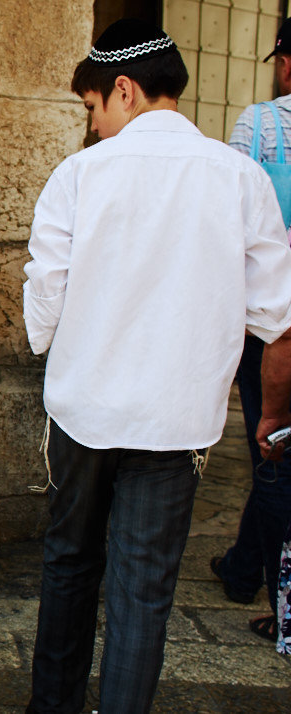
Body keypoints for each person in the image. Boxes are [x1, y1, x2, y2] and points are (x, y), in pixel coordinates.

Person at [22, 18, 291, 714]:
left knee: (70, 563)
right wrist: (277, 412)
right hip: (176, 422)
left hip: (84, 411)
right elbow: (279, 320)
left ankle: (50, 707)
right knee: (143, 590)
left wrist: (51, 344)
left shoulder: (81, 173)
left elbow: (45, 290)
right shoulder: (241, 178)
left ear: (123, 89)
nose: (95, 124)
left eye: (92, 109)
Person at [211, 16, 291, 643]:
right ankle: (242, 568)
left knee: (273, 449)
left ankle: (279, 599)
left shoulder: (260, 124)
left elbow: (232, 226)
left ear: (285, 63)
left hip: (274, 323)